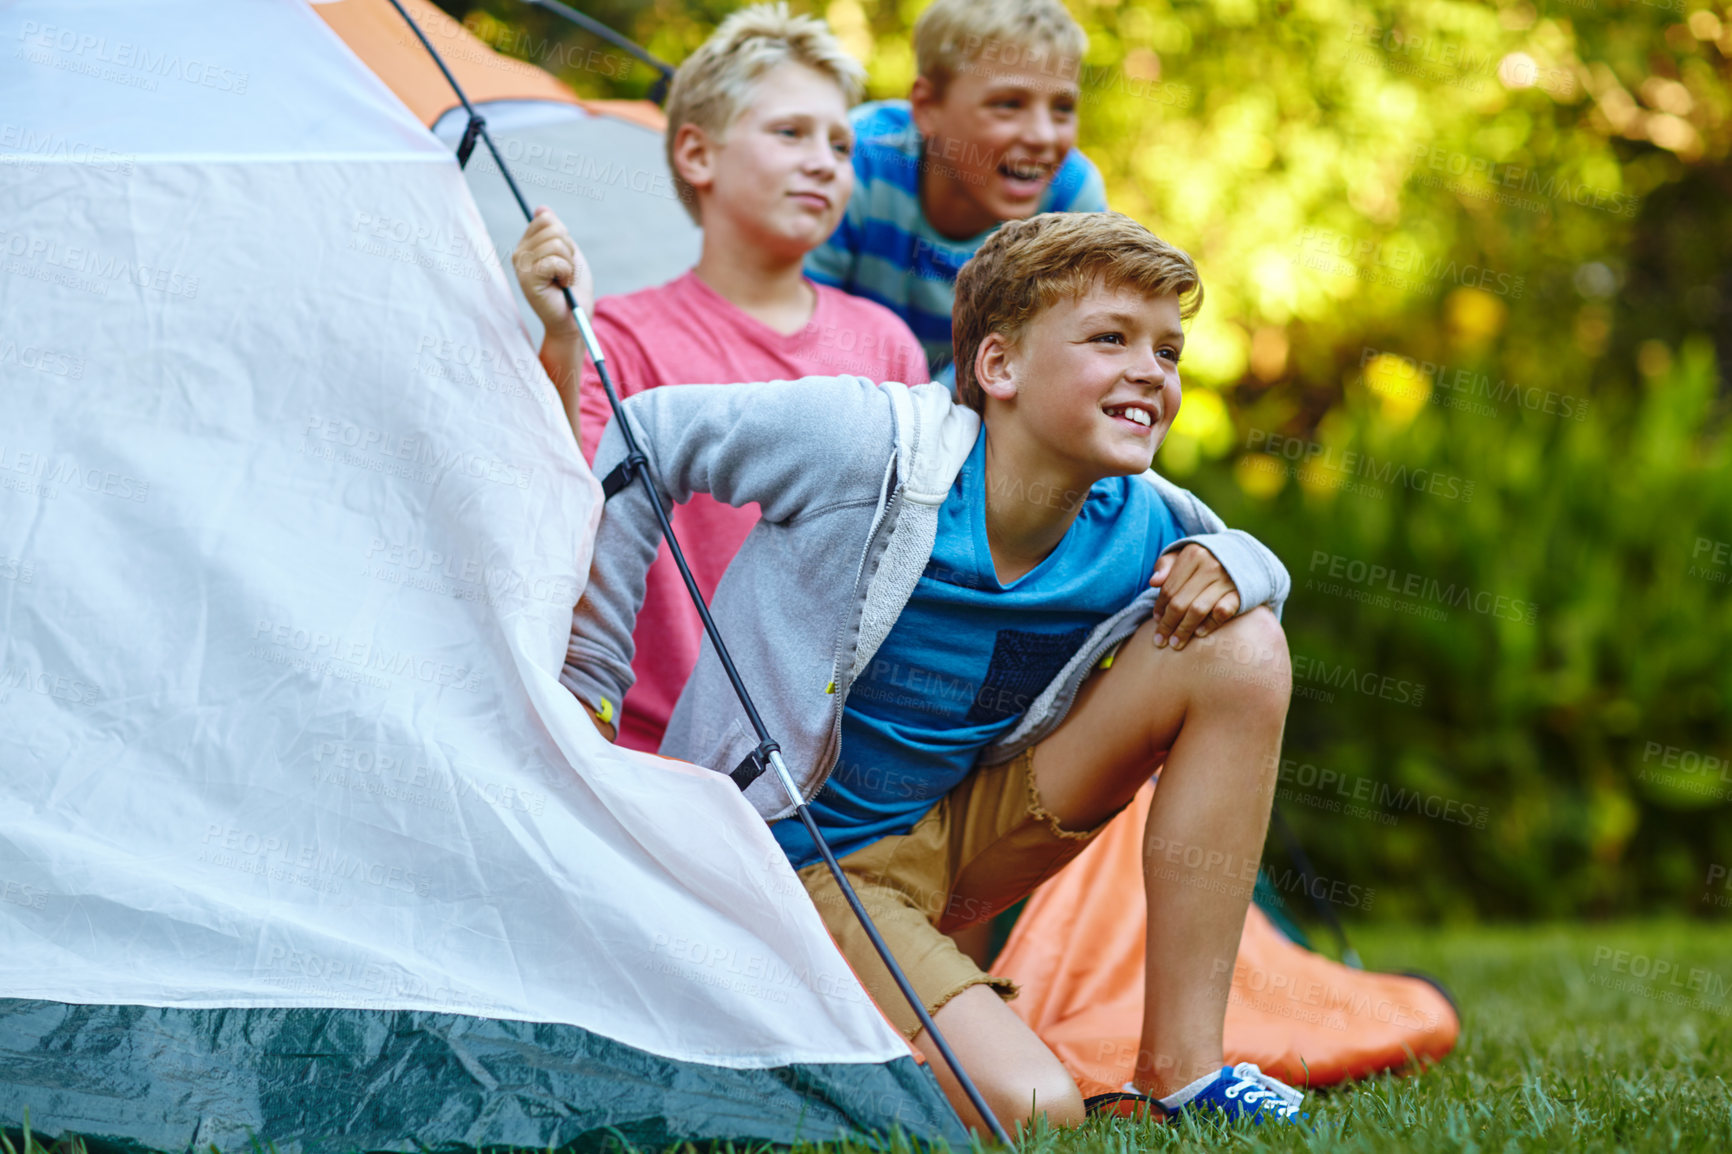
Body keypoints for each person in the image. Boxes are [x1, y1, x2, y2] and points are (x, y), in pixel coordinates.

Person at [563, 210, 1305, 1130]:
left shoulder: (1141, 516)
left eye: (1169, 350)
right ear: (997, 368)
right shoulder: (870, 445)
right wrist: (587, 684)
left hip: (955, 839)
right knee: (1036, 1112)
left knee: (1241, 642)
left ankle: (1183, 1074)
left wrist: (1241, 565)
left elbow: (1248, 559)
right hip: (802, 860)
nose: (1151, 371)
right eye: (1111, 339)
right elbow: (647, 436)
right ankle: (773, 1025)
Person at [513, 3, 929, 754]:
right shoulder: (623, 336)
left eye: (840, 145)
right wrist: (562, 340)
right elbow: (560, 515)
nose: (824, 161)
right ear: (698, 156)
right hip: (642, 755)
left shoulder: (886, 346)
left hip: (819, 772)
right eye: (790, 132)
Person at [805, 0, 1106, 378]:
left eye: (1062, 108)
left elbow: (1055, 369)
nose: (1043, 136)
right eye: (1008, 104)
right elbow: (796, 326)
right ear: (928, 107)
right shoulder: (857, 161)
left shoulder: (1070, 204)